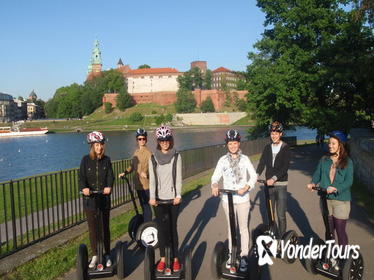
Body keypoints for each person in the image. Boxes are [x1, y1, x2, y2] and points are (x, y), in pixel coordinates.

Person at [211, 129, 257, 273]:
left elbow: (253, 176)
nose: (233, 146)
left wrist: (247, 186)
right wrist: (214, 185)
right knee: (231, 228)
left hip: (242, 198)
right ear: (227, 145)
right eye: (230, 143)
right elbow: (215, 176)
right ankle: (232, 254)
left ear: (239, 143)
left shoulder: (245, 159)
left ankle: (243, 256)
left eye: (235, 143)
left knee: (243, 228)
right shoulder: (222, 160)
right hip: (227, 199)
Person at [307, 131, 353, 270]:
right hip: (325, 200)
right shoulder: (324, 160)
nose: (330, 146)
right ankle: (332, 256)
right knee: (329, 231)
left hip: (341, 201)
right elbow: (317, 174)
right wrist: (313, 183)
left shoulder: (348, 162)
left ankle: (344, 260)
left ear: (340, 145)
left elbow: (349, 181)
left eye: (333, 143)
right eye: (329, 143)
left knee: (340, 231)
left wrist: (335, 187)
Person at [149, 125, 182, 274]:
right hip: (159, 200)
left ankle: (175, 258)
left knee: (172, 229)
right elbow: (152, 181)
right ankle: (162, 258)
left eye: (167, 140)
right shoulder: (153, 158)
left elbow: (179, 177)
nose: (164, 143)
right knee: (162, 230)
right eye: (162, 140)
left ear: (170, 140)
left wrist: (178, 195)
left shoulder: (176, 156)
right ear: (158, 141)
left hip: (173, 199)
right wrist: (152, 197)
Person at [79, 131, 114, 269]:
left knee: (105, 228)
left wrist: (109, 186)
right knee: (93, 229)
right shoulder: (85, 160)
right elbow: (81, 178)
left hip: (103, 199)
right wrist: (84, 188)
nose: (99, 147)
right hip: (90, 200)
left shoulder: (107, 160)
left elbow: (110, 176)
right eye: (96, 145)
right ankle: (94, 255)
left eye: (101, 145)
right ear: (92, 146)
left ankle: (106, 254)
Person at [256, 121, 290, 238]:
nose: (274, 136)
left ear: (281, 134)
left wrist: (274, 178)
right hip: (269, 185)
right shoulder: (267, 147)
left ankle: (282, 239)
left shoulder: (285, 147)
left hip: (281, 184)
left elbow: (285, 167)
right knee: (270, 214)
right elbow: (262, 163)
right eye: (272, 133)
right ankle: (273, 237)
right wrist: (256, 174)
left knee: (281, 215)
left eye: (276, 133)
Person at [119, 128, 152, 222]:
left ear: (146, 139)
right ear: (137, 140)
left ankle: (148, 225)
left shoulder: (148, 153)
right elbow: (132, 166)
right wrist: (125, 172)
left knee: (146, 206)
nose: (141, 140)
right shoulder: (136, 152)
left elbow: (153, 167)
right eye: (139, 139)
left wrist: (147, 173)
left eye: (143, 138)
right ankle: (146, 224)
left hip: (146, 185)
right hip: (137, 184)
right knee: (142, 205)